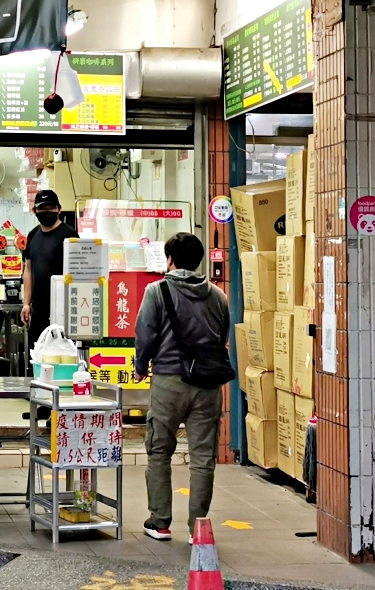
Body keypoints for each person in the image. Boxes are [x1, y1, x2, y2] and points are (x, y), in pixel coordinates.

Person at [133, 232, 229, 544]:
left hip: (169, 382)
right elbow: (222, 336)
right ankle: (197, 529)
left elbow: (145, 335)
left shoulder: (157, 291)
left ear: (170, 259)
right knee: (203, 457)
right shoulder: (218, 296)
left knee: (160, 450)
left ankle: (160, 522)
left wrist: (138, 367)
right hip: (207, 385)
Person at [21, 190, 79, 350]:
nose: (47, 212)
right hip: (38, 311)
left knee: (61, 358)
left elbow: (78, 273)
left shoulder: (70, 235)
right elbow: (28, 270)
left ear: (59, 209)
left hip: (63, 311)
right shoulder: (32, 235)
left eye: (51, 208)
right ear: (34, 211)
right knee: (38, 356)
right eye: (42, 208)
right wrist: (26, 303)